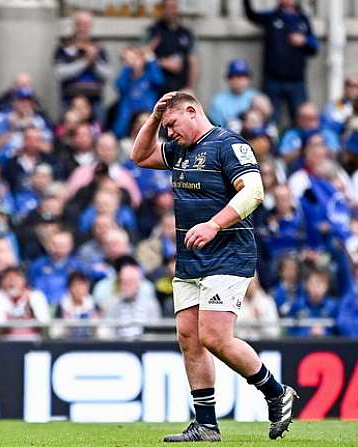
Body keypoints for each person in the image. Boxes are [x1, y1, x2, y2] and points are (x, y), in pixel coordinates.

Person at [130, 91, 296, 441]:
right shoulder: (179, 149)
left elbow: (254, 192)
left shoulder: (227, 144)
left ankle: (277, 393)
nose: (169, 133)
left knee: (214, 337)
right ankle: (206, 424)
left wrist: (213, 224)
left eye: (172, 124)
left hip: (228, 254)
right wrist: (155, 115)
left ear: (193, 111)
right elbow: (140, 155)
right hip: (190, 258)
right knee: (189, 338)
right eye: (166, 127)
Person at [244, 0, 318, 124]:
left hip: (296, 81)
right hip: (273, 80)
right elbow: (251, 15)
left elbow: (314, 47)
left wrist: (304, 40)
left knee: (301, 118)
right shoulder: (271, 17)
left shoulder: (303, 19)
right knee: (271, 120)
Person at [53, 10, 111, 113]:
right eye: (80, 24)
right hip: (70, 101)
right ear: (74, 25)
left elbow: (107, 74)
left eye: (86, 25)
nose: (83, 28)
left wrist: (94, 62)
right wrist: (85, 62)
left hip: (95, 102)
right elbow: (59, 73)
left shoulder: (98, 48)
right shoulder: (64, 47)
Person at [147, 0, 198, 95]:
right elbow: (141, 57)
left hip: (181, 89)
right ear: (162, 9)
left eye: (173, 7)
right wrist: (163, 62)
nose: (170, 11)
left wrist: (190, 87)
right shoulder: (153, 31)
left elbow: (193, 62)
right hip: (157, 90)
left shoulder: (185, 33)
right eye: (167, 7)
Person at [208, 59, 258, 128]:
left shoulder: (255, 97)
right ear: (229, 78)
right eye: (237, 77)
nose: (241, 81)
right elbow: (215, 130)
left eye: (244, 76)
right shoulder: (218, 101)